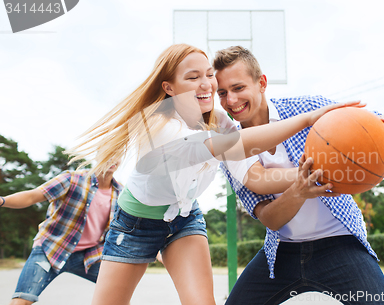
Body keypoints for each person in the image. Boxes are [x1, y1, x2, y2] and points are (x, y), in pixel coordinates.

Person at [66, 43, 362, 305]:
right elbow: (243, 144)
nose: (206, 83)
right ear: (169, 88)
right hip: (135, 225)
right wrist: (308, 120)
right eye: (192, 78)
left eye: (208, 74)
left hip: (183, 220)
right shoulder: (159, 126)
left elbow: (254, 177)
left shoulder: (217, 119)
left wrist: (314, 176)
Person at [213, 45, 384, 304]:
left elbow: (362, 125)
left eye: (238, 88)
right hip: (283, 251)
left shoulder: (306, 107)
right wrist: (298, 192)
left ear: (262, 83)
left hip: (339, 241)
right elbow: (270, 218)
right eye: (222, 93)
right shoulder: (231, 147)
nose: (230, 100)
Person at [0, 162, 122, 305]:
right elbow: (32, 196)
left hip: (88, 256)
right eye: (109, 153)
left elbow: (133, 229)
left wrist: (154, 251)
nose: (113, 159)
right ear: (99, 153)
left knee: (120, 297)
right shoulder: (72, 179)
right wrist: (3, 200)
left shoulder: (120, 192)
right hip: (51, 249)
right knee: (21, 301)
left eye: (117, 155)